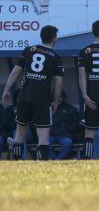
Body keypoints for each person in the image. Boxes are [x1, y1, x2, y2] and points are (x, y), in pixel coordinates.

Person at [1, 25, 64, 160]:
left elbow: (15, 71)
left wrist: (6, 89)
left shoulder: (29, 50)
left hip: (25, 96)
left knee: (19, 133)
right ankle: (42, 165)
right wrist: (56, 99)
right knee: (43, 136)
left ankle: (16, 163)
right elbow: (59, 82)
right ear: (54, 38)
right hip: (42, 99)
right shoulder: (56, 56)